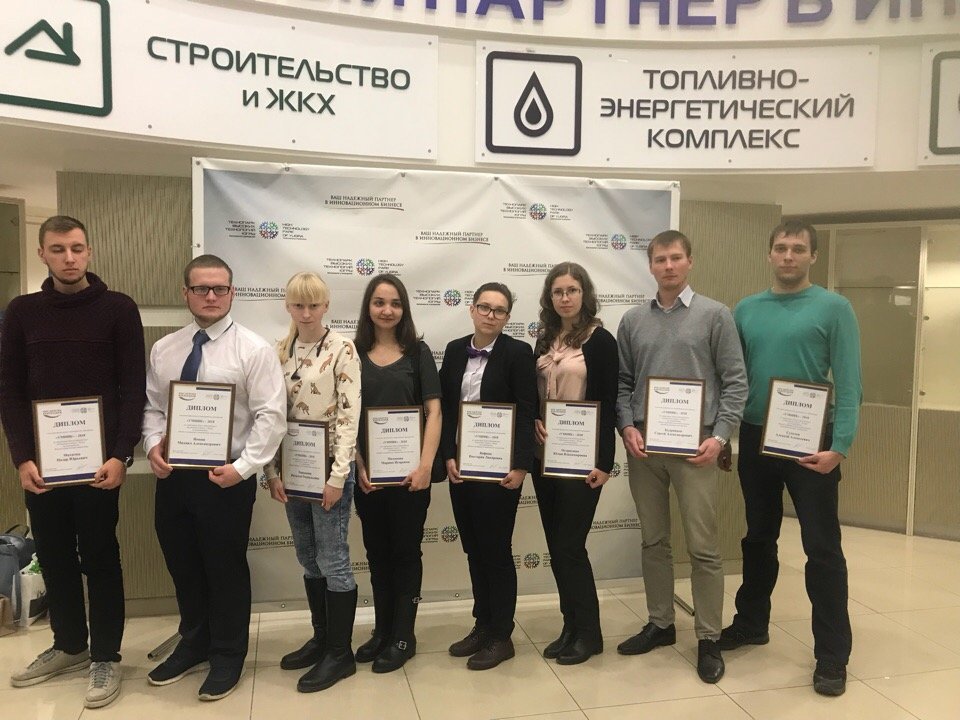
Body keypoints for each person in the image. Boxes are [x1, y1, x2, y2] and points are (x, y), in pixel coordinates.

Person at [0, 215, 145, 709]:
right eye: (58, 249)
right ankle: (69, 645)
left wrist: (121, 454)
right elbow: (11, 391)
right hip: (43, 468)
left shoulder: (118, 309)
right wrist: (22, 457)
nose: (69, 258)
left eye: (77, 248)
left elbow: (133, 390)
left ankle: (105, 655)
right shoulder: (22, 312)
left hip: (100, 466)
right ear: (42, 253)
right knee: (54, 554)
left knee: (100, 557)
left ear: (89, 252)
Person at [719, 221, 862, 697]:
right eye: (780, 247)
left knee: (822, 548)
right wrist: (725, 436)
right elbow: (735, 378)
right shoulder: (747, 309)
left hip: (812, 441)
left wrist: (839, 447)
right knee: (758, 537)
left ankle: (832, 655)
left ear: (813, 256)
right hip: (756, 437)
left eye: (798, 249)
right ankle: (751, 623)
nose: (788, 256)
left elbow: (850, 381)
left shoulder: (834, 308)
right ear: (769, 254)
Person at [142, 254, 286, 701]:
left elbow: (271, 418)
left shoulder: (253, 350)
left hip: (226, 478)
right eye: (201, 288)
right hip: (174, 478)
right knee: (183, 565)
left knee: (224, 569)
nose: (210, 296)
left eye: (219, 288)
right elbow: (153, 407)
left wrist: (242, 470)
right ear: (185, 293)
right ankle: (194, 643)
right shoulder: (165, 349)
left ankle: (227, 653)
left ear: (232, 293)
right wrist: (152, 445)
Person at [616, 230, 747, 684]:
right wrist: (627, 426)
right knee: (653, 541)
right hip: (646, 448)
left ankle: (709, 636)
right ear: (650, 265)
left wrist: (721, 437)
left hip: (698, 449)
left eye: (675, 258)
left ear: (690, 261)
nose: (668, 266)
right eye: (660, 259)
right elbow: (623, 383)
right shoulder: (633, 320)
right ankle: (660, 623)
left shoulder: (715, 315)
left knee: (704, 548)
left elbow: (735, 382)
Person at [263, 272, 361, 693]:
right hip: (292, 471)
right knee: (307, 556)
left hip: (329, 474)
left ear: (326, 306)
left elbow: (349, 416)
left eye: (314, 305)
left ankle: (340, 653)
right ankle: (322, 639)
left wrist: (338, 476)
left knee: (333, 558)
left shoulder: (342, 348)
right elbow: (269, 415)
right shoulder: (278, 350)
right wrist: (271, 472)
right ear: (288, 306)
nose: (306, 313)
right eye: (298, 305)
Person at [439, 282, 537, 670]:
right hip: (462, 468)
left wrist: (521, 465)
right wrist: (448, 455)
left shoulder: (518, 352)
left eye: (499, 310)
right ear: (472, 309)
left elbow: (527, 410)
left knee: (496, 551)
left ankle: (501, 635)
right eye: (484, 307)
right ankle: (482, 625)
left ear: (507, 317)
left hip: (499, 471)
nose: (490, 315)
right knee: (474, 549)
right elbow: (446, 408)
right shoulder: (453, 350)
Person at [352, 274, 441, 673]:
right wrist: (358, 463)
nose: (387, 310)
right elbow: (346, 416)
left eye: (395, 303)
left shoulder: (418, 352)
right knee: (376, 554)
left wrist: (425, 467)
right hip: (368, 478)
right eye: (379, 302)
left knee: (405, 554)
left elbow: (434, 412)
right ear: (368, 307)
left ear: (404, 308)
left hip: (411, 479)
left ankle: (404, 635)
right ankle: (382, 630)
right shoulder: (353, 353)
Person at [531, 263, 618, 665]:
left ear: (585, 294)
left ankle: (590, 633)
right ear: (549, 298)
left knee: (570, 546)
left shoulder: (600, 341)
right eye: (558, 291)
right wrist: (533, 420)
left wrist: (605, 462)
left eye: (572, 290)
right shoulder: (543, 339)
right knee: (556, 546)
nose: (565, 298)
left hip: (582, 461)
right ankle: (571, 626)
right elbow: (534, 395)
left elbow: (608, 401)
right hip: (545, 458)